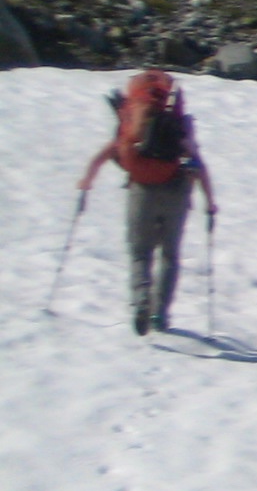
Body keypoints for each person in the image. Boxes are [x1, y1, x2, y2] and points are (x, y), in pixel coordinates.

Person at [78, 69, 215, 336]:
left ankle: (141, 301)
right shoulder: (177, 123)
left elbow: (105, 154)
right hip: (177, 190)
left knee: (141, 252)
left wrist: (87, 181)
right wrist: (210, 202)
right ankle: (159, 314)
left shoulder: (132, 123)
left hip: (141, 190)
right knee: (170, 255)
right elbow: (197, 162)